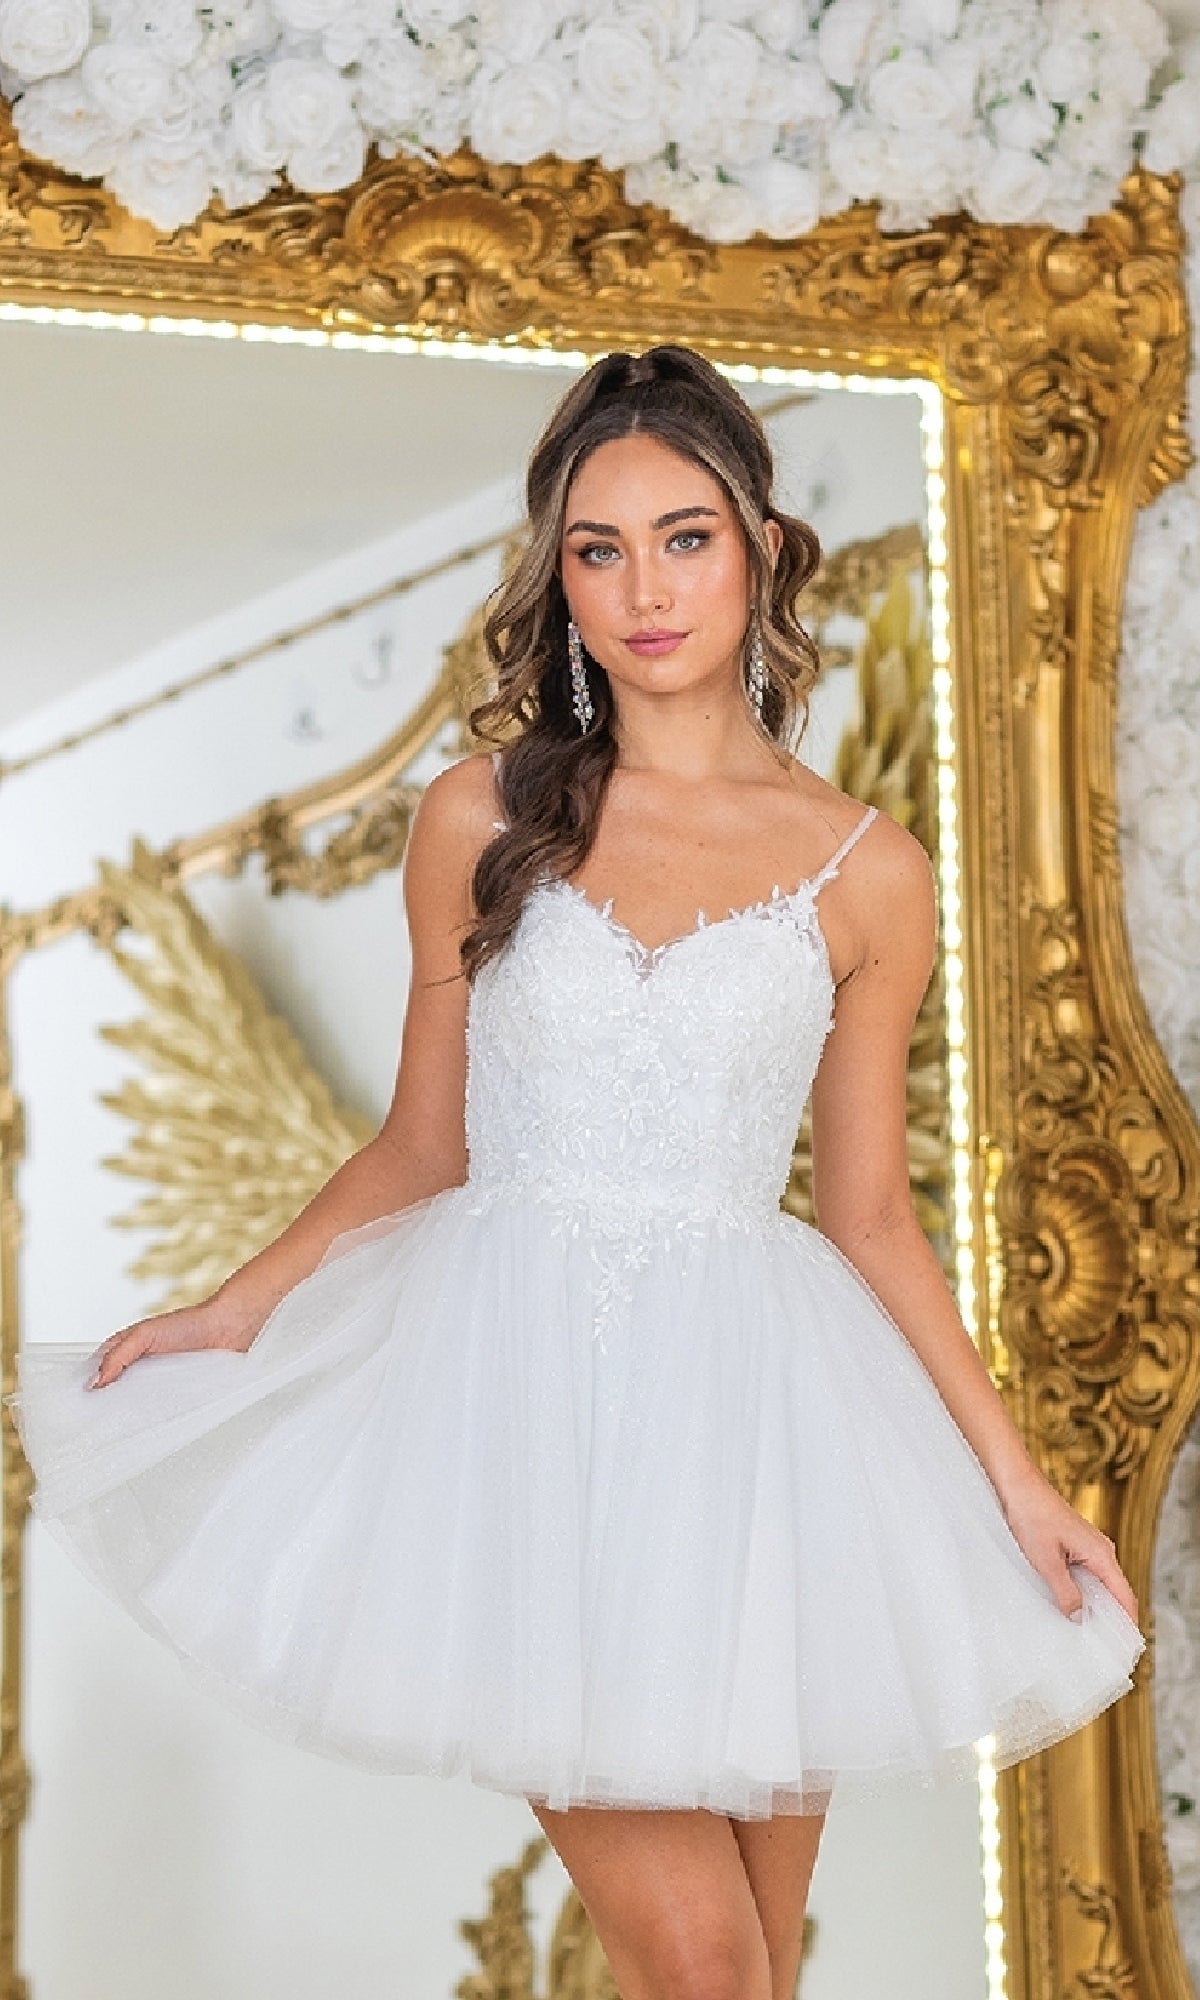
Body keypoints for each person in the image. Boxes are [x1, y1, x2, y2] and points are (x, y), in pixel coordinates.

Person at [11, 345, 1143, 2000]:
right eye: (597, 549)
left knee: (754, 1972)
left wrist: (1016, 1486)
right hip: (518, 1409)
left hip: (758, 1433)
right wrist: (237, 1310)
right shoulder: (478, 813)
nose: (642, 587)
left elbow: (871, 1217)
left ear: (759, 546)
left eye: (683, 536)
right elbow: (421, 1142)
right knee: (700, 1967)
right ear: (559, 580)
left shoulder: (867, 867)